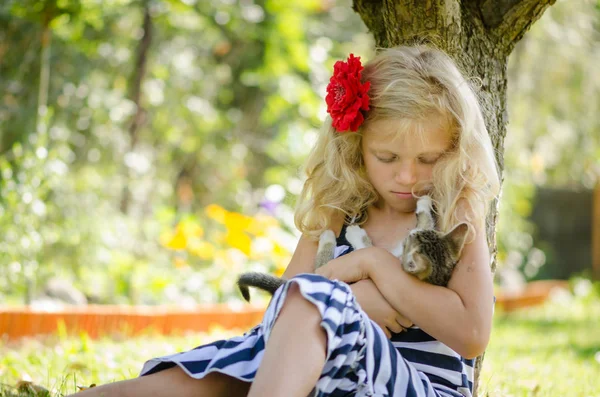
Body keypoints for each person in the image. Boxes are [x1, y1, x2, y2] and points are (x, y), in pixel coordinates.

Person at [70, 45, 500, 397]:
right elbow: (282, 314)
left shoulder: (454, 212)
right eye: (387, 158)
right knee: (189, 381)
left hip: (413, 386)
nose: (407, 177)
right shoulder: (341, 209)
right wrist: (360, 302)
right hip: (320, 381)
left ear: (454, 151)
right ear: (357, 145)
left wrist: (373, 265)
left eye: (427, 160)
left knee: (314, 300)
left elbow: (473, 332)